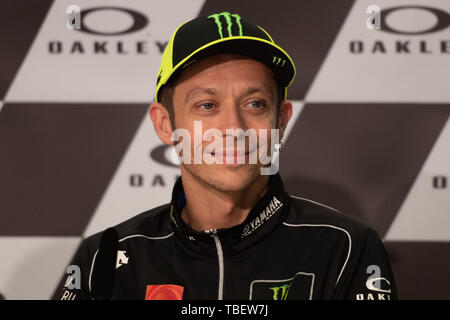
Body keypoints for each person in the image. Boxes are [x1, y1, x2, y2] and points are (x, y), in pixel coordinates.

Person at [57, 12, 397, 300]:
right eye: (207, 105)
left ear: (280, 121)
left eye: (255, 104)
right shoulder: (105, 257)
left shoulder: (346, 247)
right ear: (165, 124)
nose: (234, 127)